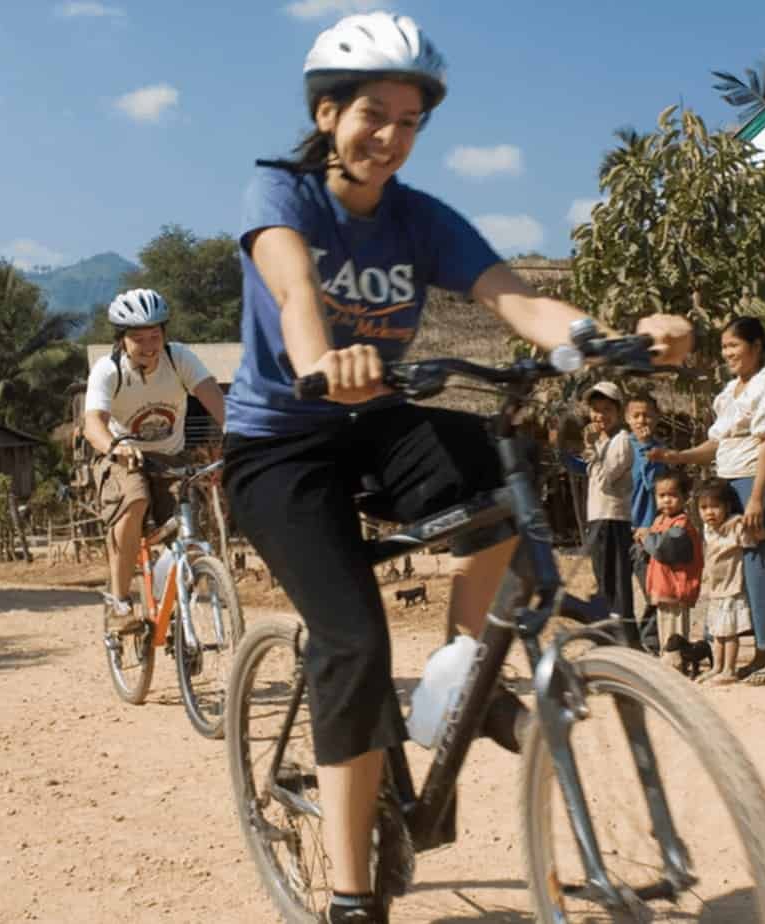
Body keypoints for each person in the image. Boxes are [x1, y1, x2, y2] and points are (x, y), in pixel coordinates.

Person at [218, 14, 693, 923]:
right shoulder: (280, 193)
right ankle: (352, 896)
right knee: (354, 642)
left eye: (410, 121)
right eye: (373, 115)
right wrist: (321, 360)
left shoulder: (421, 218)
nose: (391, 137)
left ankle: (460, 670)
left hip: (378, 419)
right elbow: (293, 288)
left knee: (500, 476)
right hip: (280, 442)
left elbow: (517, 300)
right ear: (327, 114)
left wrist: (611, 340)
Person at [650, 316, 765, 684]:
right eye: (724, 347)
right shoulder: (732, 389)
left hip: (761, 484)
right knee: (738, 573)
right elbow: (716, 444)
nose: (728, 353)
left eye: (734, 345)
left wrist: (757, 499)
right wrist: (677, 457)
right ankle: (759, 653)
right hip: (731, 487)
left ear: (756, 345)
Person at [82, 288, 227, 632]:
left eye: (155, 336)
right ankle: (119, 603)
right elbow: (93, 425)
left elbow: (215, 399)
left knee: (187, 525)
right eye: (138, 338)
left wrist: (237, 435)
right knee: (134, 501)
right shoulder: (108, 369)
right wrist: (115, 447)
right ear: (121, 339)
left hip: (171, 456)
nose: (149, 346)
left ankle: (168, 602)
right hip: (123, 456)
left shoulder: (178, 359)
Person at [558, 381, 638, 645]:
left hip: (614, 518)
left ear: (619, 412)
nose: (600, 416)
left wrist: (591, 447)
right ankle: (610, 637)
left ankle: (626, 639)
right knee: (604, 581)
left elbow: (604, 478)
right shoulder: (602, 441)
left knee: (616, 583)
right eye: (595, 410)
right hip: (599, 518)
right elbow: (585, 470)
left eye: (607, 410)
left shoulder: (622, 441)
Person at [694, 477, 761, 684]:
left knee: (730, 632)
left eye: (715, 507)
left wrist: (739, 521)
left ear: (727, 507)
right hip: (715, 589)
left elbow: (753, 541)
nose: (709, 512)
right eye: (704, 508)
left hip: (732, 588)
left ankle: (729, 670)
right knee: (717, 632)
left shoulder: (735, 527)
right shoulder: (708, 530)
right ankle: (717, 667)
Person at [636, 469, 703, 674]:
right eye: (661, 495)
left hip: (677, 588)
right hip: (663, 587)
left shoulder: (681, 524)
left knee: (676, 630)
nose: (666, 500)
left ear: (685, 497)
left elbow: (663, 550)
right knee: (664, 627)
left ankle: (678, 663)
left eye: (672, 495)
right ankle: (668, 662)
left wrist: (646, 537)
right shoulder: (660, 521)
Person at [625, 392, 667, 651]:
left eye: (647, 415)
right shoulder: (620, 448)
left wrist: (656, 526)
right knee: (617, 594)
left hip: (650, 533)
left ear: (657, 417)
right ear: (627, 418)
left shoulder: (663, 453)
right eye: (636, 415)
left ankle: (649, 639)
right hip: (621, 529)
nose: (642, 420)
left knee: (655, 590)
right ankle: (625, 642)